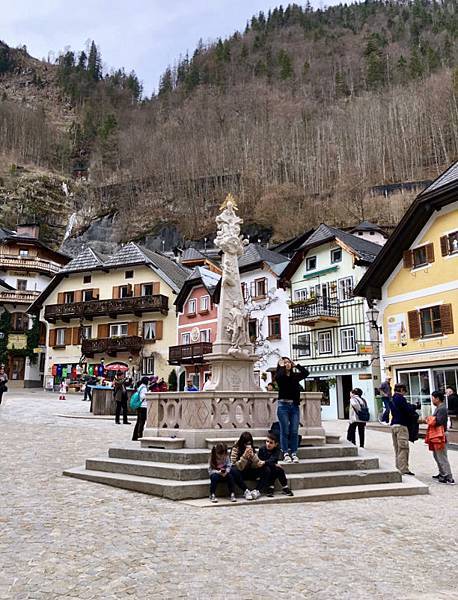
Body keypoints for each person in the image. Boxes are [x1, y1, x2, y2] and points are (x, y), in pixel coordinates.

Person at [275, 357, 309, 463]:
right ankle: (285, 452)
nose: (287, 364)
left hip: (294, 406)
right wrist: (281, 367)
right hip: (283, 406)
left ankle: (294, 453)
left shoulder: (295, 376)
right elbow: (279, 377)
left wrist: (296, 365)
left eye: (288, 362)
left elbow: (306, 373)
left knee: (294, 431)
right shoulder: (280, 376)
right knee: (284, 430)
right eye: (284, 363)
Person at [420, 391, 455, 485]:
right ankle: (442, 473)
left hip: (440, 434)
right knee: (437, 455)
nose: (432, 400)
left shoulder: (442, 408)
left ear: (437, 398)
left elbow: (438, 421)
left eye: (432, 398)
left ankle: (448, 476)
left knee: (441, 456)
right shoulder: (439, 408)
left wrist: (429, 419)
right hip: (437, 434)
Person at [230, 432, 270, 500]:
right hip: (241, 472)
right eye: (246, 444)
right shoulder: (235, 449)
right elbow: (236, 466)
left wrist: (253, 456)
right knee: (232, 470)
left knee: (266, 469)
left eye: (249, 443)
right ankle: (246, 490)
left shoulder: (252, 449)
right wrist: (244, 457)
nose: (247, 445)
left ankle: (257, 491)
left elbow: (257, 464)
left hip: (251, 471)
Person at [390, 383, 418, 476]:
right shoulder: (400, 398)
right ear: (401, 389)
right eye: (404, 390)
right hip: (401, 425)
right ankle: (403, 469)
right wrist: (414, 406)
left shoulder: (393, 398)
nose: (405, 392)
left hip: (394, 425)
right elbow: (407, 410)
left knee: (397, 448)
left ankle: (398, 467)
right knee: (403, 448)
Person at [258, 430, 294, 497]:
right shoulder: (262, 449)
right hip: (263, 469)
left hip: (272, 468)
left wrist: (267, 462)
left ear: (276, 444)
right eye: (267, 441)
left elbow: (273, 459)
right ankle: (270, 486)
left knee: (279, 469)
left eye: (271, 443)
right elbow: (260, 461)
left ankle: (285, 487)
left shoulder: (277, 450)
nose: (268, 444)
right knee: (268, 469)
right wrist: (269, 463)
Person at [132, 376, 149, 441]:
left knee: (138, 421)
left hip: (139, 406)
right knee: (141, 422)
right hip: (143, 406)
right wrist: (148, 395)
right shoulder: (144, 388)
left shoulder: (140, 387)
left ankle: (135, 436)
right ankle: (140, 435)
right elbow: (142, 396)